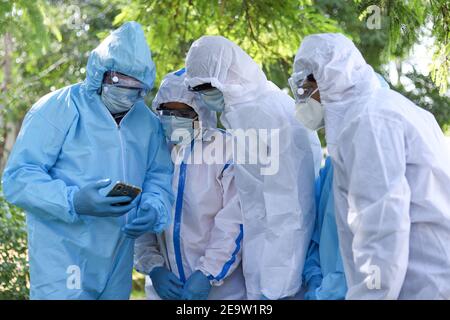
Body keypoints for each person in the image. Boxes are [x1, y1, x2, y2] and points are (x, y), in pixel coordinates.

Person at [1, 22, 174, 300]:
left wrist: (154, 207)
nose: (127, 92)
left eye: (136, 87)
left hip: (117, 258)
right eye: (120, 82)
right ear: (101, 73)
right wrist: (73, 200)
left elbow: (159, 176)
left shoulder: (147, 123)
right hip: (63, 257)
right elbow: (18, 178)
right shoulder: (58, 108)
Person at [291, 33, 450, 299]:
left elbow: (381, 232)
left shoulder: (369, 120)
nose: (302, 100)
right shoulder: (388, 110)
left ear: (327, 79)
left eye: (305, 90)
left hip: (422, 285)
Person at [184, 36, 322, 300]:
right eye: (197, 89)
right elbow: (247, 200)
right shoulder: (245, 115)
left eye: (207, 87)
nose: (203, 96)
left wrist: (275, 288)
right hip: (263, 267)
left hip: (281, 278)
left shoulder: (269, 115)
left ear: (229, 75)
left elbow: (290, 210)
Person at [134, 69, 246, 300]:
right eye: (167, 111)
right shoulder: (153, 152)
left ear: (202, 112)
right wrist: (154, 267)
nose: (174, 119)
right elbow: (139, 217)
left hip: (221, 291)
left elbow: (235, 220)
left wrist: (208, 273)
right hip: (165, 291)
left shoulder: (227, 150)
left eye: (184, 112)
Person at [301, 74, 389, 300]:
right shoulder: (331, 163)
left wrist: (329, 292)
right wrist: (314, 278)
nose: (305, 99)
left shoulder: (375, 162)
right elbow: (318, 234)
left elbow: (373, 250)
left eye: (311, 90)